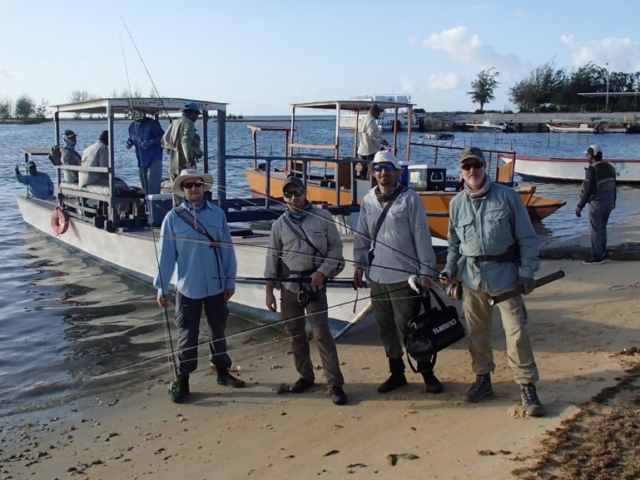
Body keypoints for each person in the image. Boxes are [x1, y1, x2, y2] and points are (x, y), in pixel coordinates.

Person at [441, 146, 545, 417]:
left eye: (476, 165)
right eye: (466, 167)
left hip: (506, 277)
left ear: (485, 166)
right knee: (477, 333)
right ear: (461, 171)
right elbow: (453, 244)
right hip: (471, 279)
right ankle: (483, 379)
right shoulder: (455, 204)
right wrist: (449, 270)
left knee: (517, 332)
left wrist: (528, 273)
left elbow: (528, 238)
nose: (472, 171)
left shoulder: (508, 197)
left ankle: (526, 385)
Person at [353, 150, 442, 395]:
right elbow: (361, 237)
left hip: (406, 277)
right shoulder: (368, 199)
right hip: (377, 277)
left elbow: (422, 237)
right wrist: (359, 266)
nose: (383, 172)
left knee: (411, 327)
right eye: (378, 168)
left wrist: (427, 272)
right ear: (373, 172)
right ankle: (396, 373)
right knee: (385, 328)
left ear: (397, 171)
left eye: (388, 168)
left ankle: (427, 372)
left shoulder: (410, 198)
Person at [154, 168, 243, 403]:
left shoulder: (218, 215)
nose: (194, 188)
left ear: (204, 186)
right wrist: (161, 287)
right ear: (182, 189)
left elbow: (227, 250)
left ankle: (222, 372)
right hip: (187, 288)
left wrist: (229, 280)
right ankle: (183, 380)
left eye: (198, 184)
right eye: (188, 185)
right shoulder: (172, 218)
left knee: (219, 330)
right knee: (187, 334)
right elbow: (165, 256)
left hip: (216, 286)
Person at [264, 177, 348, 405]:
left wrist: (322, 272)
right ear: (283, 197)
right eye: (289, 194)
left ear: (305, 193)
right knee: (295, 335)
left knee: (322, 334)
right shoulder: (278, 225)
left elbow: (337, 248)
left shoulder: (323, 217)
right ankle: (305, 376)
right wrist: (269, 291)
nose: (294, 197)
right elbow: (272, 260)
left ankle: (335, 383)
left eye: (298, 192)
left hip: (316, 286)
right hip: (289, 287)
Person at [575, 144, 617, 265]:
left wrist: (580, 206)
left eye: (587, 155)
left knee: (594, 230)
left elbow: (588, 189)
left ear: (592, 156)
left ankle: (597, 257)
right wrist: (614, 201)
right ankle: (602, 252)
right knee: (602, 228)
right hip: (609, 201)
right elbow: (615, 186)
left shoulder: (591, 169)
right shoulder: (609, 167)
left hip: (597, 202)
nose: (586, 157)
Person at [162, 102, 201, 206]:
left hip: (173, 165)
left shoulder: (174, 123)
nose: (197, 116)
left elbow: (164, 141)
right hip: (185, 165)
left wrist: (172, 152)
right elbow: (185, 140)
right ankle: (187, 215)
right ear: (192, 113)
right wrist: (189, 157)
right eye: (197, 113)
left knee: (176, 192)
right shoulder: (189, 123)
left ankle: (177, 213)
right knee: (189, 192)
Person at [125, 109, 165, 194]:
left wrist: (151, 142)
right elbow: (132, 137)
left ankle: (154, 202)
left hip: (155, 157)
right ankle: (145, 203)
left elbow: (163, 137)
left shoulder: (153, 124)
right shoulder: (132, 126)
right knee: (144, 185)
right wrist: (129, 142)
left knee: (153, 184)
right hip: (141, 159)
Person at [355, 104, 389, 180]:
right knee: (372, 169)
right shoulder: (371, 120)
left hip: (362, 149)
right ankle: (371, 185)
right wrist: (381, 140)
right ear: (373, 112)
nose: (379, 114)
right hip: (371, 149)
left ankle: (363, 182)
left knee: (364, 169)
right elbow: (372, 133)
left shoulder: (364, 119)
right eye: (378, 112)